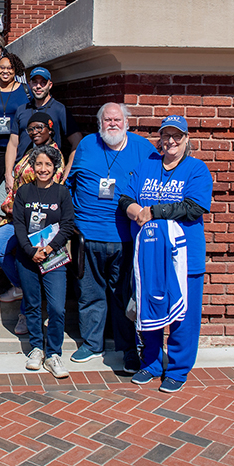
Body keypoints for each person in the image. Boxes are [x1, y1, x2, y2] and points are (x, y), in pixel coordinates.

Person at [119, 115, 212, 394]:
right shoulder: (147, 165)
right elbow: (125, 197)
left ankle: (178, 368)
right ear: (160, 138)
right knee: (150, 310)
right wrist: (133, 210)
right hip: (149, 257)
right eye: (166, 135)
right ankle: (151, 363)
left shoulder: (197, 169)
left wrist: (154, 212)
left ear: (186, 139)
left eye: (177, 136)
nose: (171, 141)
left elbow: (194, 207)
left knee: (183, 315)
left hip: (184, 257)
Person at [66, 103, 157, 372]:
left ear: (127, 123)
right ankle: (92, 345)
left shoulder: (143, 149)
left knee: (124, 295)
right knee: (89, 293)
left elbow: (158, 180)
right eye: (107, 120)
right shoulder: (86, 145)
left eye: (118, 119)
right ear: (99, 123)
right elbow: (70, 183)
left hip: (124, 237)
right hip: (87, 235)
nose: (113, 124)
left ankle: (128, 349)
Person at [0, 112, 64, 335]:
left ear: (50, 129)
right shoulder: (30, 151)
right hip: (16, 217)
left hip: (38, 223)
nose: (34, 132)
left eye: (39, 128)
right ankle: (21, 286)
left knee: (28, 261)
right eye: (31, 129)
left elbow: (49, 191)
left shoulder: (53, 156)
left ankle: (26, 312)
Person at [13, 145, 76, 379]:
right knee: (31, 304)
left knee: (57, 307)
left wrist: (49, 248)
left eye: (48, 164)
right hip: (28, 258)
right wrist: (31, 251)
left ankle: (54, 354)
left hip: (54, 258)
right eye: (38, 164)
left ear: (55, 167)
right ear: (32, 166)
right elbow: (18, 224)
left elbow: (68, 225)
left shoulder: (62, 193)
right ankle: (37, 349)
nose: (43, 169)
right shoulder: (24, 192)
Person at [6, 68, 73, 190]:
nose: (38, 86)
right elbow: (13, 143)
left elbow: (77, 141)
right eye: (35, 82)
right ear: (29, 84)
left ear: (50, 85)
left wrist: (68, 167)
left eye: (43, 82)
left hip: (46, 174)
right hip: (21, 171)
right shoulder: (22, 110)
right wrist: (8, 174)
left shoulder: (59, 109)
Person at [0, 51, 31, 189]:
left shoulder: (26, 91)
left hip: (20, 148)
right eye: (2, 68)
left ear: (16, 70)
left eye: (9, 68)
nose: (5, 71)